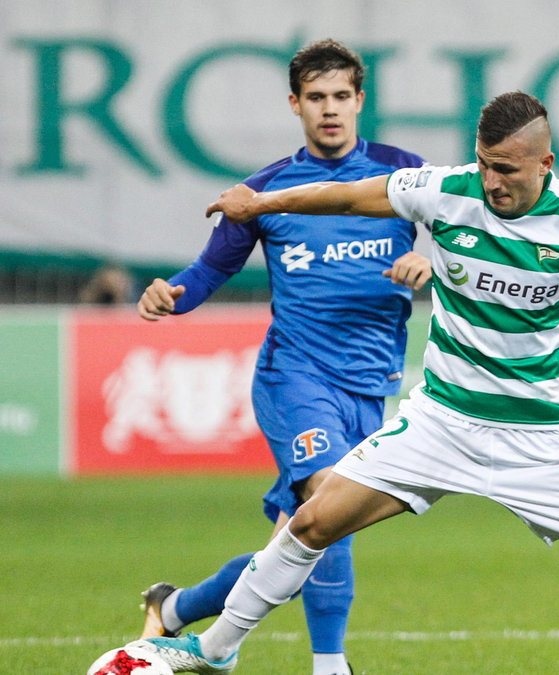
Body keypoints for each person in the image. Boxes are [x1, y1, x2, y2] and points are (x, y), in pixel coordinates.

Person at [128, 91, 559, 674]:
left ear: (543, 165)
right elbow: (348, 196)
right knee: (312, 522)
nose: (490, 180)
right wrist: (260, 203)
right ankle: (213, 650)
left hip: (545, 438)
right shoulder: (445, 190)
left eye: (505, 169)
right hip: (441, 423)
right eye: (483, 163)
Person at [134, 39, 430, 675]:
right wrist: (171, 294)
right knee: (333, 505)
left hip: (370, 384)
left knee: (293, 548)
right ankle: (330, 664)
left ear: (360, 101)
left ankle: (177, 609)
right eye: (316, 98)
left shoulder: (407, 175)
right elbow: (211, 269)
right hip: (294, 375)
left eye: (341, 97)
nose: (330, 110)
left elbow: (472, 246)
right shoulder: (265, 190)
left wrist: (433, 262)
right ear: (295, 105)